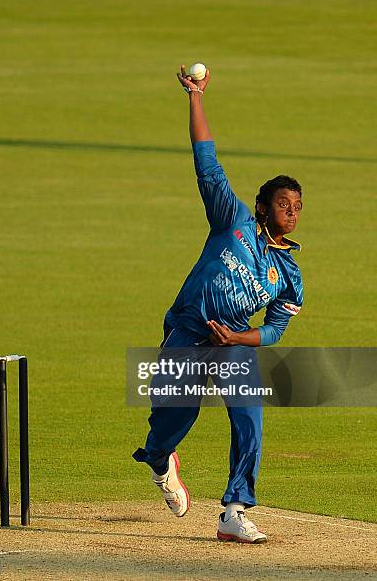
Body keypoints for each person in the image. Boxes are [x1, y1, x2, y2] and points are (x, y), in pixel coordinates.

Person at [132, 66, 304, 543]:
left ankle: (234, 508)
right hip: (189, 327)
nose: (292, 210)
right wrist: (195, 99)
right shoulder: (233, 219)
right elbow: (206, 160)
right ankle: (161, 460)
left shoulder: (288, 274)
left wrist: (238, 338)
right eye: (284, 202)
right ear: (264, 205)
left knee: (249, 415)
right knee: (172, 417)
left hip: (231, 339)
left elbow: (273, 331)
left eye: (298, 206)